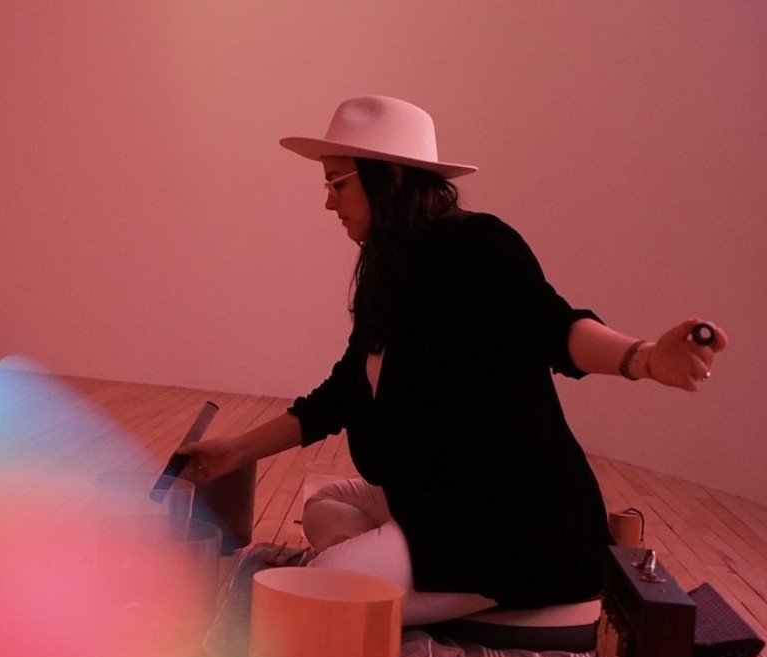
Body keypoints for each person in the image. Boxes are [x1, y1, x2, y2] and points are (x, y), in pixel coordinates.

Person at [179, 96, 728, 626]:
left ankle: (475, 588)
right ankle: (416, 580)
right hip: (432, 498)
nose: (328, 202)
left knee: (309, 600)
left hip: (509, 522)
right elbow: (345, 391)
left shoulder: (477, 246)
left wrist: (645, 357)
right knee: (324, 511)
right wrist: (237, 449)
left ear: (390, 177)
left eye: (336, 183)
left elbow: (554, 328)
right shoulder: (386, 268)